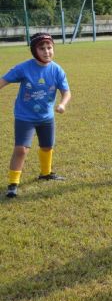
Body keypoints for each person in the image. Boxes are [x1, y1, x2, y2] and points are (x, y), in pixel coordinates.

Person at [0, 33, 71, 198]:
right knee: (21, 149)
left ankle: (46, 174)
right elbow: (3, 81)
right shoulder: (23, 68)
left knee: (47, 147)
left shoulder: (57, 69)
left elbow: (66, 91)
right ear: (34, 50)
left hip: (46, 117)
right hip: (25, 117)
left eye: (49, 47)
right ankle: (13, 184)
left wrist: (62, 104)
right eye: (42, 48)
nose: (47, 51)